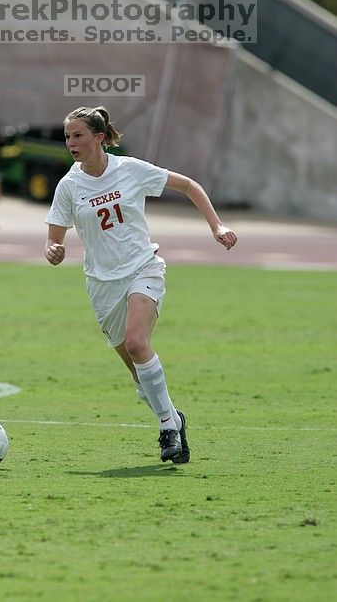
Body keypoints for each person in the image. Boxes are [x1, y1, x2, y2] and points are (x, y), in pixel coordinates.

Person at [45, 106, 237, 464]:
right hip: (101, 285)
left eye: (78, 135)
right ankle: (173, 415)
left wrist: (217, 226)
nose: (71, 142)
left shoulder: (129, 169)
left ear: (99, 138)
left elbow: (189, 186)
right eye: (68, 136)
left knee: (137, 343)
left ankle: (167, 427)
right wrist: (53, 249)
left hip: (142, 268)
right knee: (139, 374)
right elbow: (54, 236)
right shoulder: (68, 186)